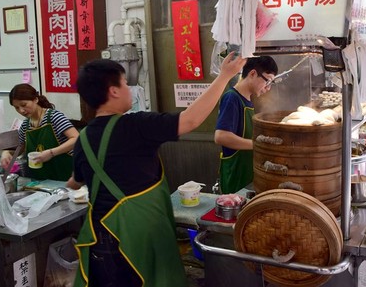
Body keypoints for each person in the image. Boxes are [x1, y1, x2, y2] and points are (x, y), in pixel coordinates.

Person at [67, 53, 246, 287]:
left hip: (101, 241)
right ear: (113, 90)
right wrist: (225, 76)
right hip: (137, 241)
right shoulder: (136, 125)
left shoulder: (83, 139)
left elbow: (74, 182)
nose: (129, 89)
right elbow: (190, 120)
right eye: (124, 83)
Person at [214, 56, 278, 193]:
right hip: (235, 177)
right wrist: (259, 145)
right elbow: (221, 136)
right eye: (267, 81)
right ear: (253, 73)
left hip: (247, 176)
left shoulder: (247, 100)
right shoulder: (232, 98)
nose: (268, 88)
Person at [0, 84, 78, 181]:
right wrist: (6, 152)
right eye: (17, 108)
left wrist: (51, 153)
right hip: (42, 181)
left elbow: (76, 138)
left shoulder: (54, 117)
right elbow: (19, 149)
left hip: (66, 178)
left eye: (24, 105)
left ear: (35, 99)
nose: (21, 110)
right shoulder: (25, 125)